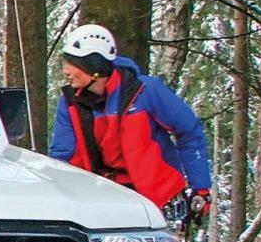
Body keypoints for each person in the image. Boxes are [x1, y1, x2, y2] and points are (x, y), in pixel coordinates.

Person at [49, 23, 212, 222]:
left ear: (94, 68)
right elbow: (62, 157)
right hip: (101, 199)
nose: (66, 70)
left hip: (158, 200)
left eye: (72, 64)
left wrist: (200, 188)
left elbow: (190, 131)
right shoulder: (69, 103)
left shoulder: (146, 91)